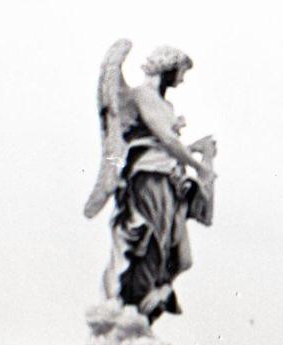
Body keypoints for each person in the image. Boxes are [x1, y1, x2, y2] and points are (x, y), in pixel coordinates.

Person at [88, 43, 217, 323]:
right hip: (147, 178)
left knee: (174, 253)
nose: (181, 79)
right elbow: (167, 140)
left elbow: (170, 144)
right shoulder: (141, 95)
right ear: (168, 68)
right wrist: (198, 166)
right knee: (149, 242)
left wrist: (195, 153)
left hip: (169, 180)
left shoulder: (165, 104)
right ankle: (132, 307)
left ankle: (144, 306)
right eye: (180, 72)